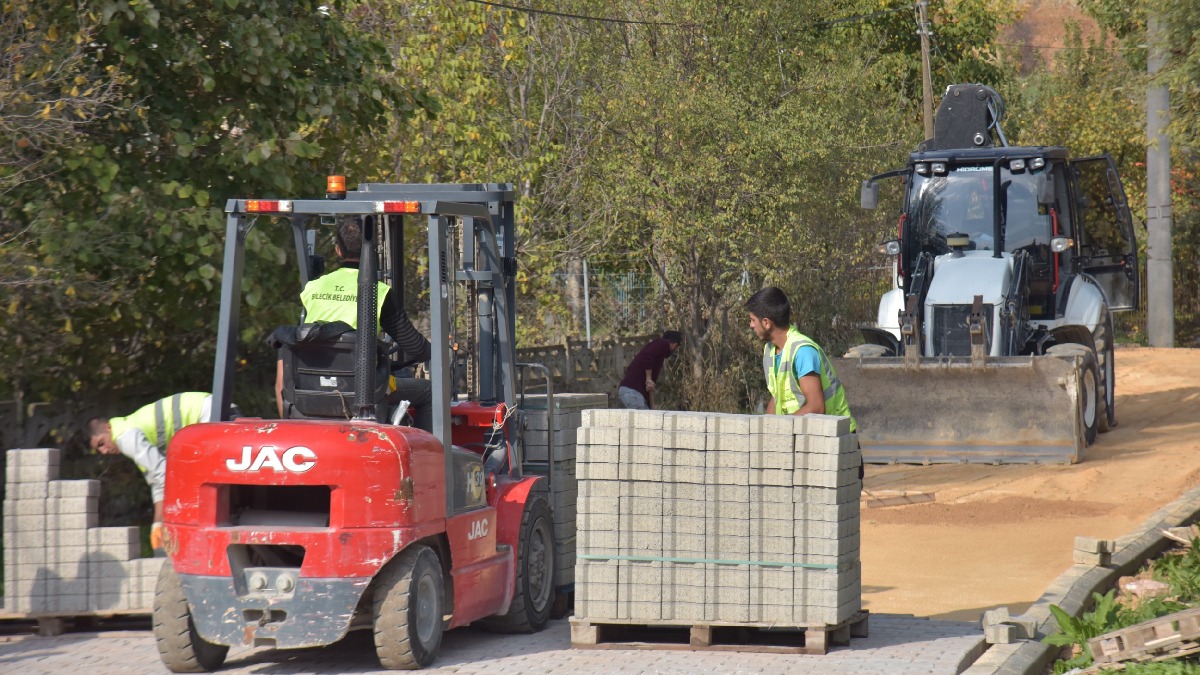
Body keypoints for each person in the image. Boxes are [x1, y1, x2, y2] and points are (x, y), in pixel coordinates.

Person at [275, 215, 433, 431]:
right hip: (362, 393)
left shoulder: (313, 287)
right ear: (373, 251)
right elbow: (416, 348)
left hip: (310, 388)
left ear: (338, 250)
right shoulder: (379, 292)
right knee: (428, 392)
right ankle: (432, 459)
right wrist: (435, 350)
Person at [745, 287, 862, 479]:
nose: (750, 325)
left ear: (766, 323)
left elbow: (816, 406)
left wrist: (781, 427)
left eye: (752, 320)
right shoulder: (770, 351)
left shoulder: (803, 352)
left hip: (837, 441)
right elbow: (777, 396)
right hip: (807, 439)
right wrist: (766, 431)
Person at [85, 392, 217, 551]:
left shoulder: (125, 437)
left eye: (101, 443)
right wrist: (157, 525)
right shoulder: (131, 434)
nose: (104, 451)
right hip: (209, 410)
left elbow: (163, 473)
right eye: (99, 449)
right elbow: (159, 482)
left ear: (108, 427)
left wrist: (168, 522)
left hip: (209, 412)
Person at [617, 330, 682, 410]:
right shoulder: (663, 343)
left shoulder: (659, 351)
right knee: (640, 418)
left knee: (647, 417)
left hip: (636, 393)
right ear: (675, 345)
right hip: (632, 391)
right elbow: (648, 356)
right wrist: (648, 378)